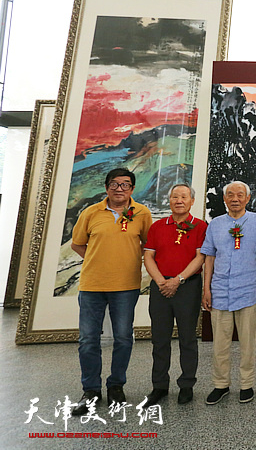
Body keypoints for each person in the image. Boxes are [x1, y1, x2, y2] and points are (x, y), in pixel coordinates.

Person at [70, 168, 153, 415]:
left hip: (126, 287)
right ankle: (90, 391)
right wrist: (97, 261)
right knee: (88, 340)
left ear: (132, 189)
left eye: (125, 185)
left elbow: (149, 245)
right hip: (92, 286)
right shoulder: (91, 212)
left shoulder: (142, 213)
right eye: (114, 184)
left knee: (124, 338)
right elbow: (77, 243)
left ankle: (116, 386)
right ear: (106, 188)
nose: (120, 189)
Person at [201, 181, 256, 405]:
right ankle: (221, 385)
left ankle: (246, 384)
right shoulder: (215, 224)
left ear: (248, 199)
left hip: (249, 289)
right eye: (230, 195)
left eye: (240, 195)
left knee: (248, 342)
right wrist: (206, 288)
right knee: (220, 343)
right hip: (219, 291)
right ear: (224, 199)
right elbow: (209, 257)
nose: (235, 199)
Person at [142, 183, 208, 406]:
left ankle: (187, 384)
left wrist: (178, 280)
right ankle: (159, 385)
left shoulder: (200, 226)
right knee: (160, 339)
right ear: (168, 201)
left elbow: (201, 257)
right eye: (174, 197)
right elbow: (148, 256)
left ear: (192, 201)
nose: (179, 200)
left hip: (187, 286)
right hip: (160, 287)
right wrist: (162, 281)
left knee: (188, 338)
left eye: (184, 197)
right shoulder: (158, 226)